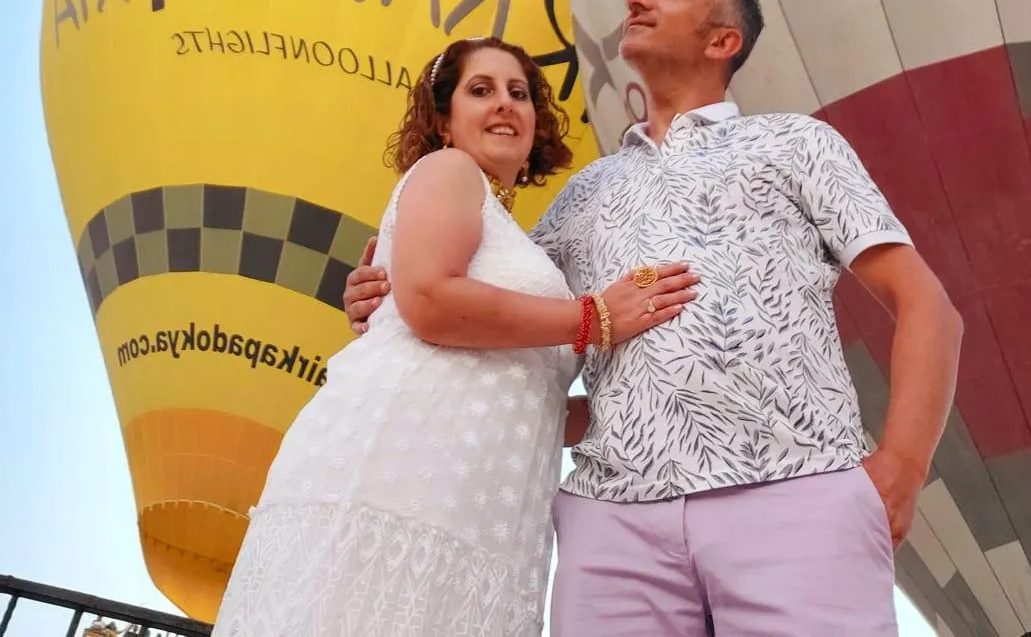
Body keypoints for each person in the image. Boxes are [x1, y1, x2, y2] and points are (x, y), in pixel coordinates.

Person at [344, 0, 964, 637]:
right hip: (611, 523)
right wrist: (393, 303)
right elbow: (499, 336)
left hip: (794, 489)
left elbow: (928, 306)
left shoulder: (795, 144)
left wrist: (903, 464)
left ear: (722, 42)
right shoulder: (581, 196)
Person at [211, 35, 698, 637]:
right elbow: (429, 300)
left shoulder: (520, 243)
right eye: (481, 90)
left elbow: (530, 389)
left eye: (518, 93)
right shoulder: (448, 170)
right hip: (403, 471)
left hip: (489, 503)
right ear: (444, 122)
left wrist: (653, 399)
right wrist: (595, 317)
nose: (505, 105)